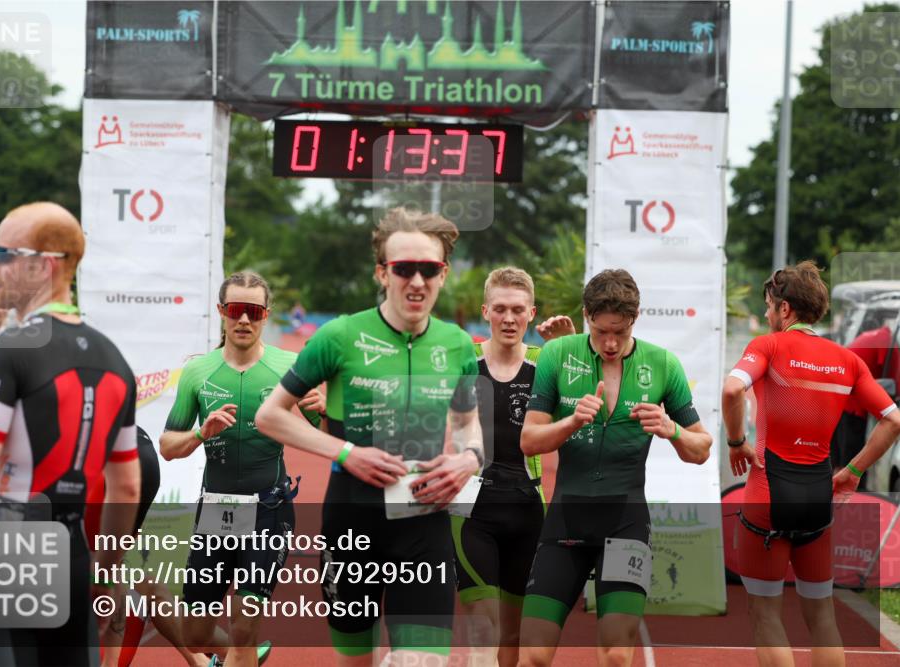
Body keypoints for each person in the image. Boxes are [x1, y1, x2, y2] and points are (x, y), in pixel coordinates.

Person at [257, 207, 485, 666]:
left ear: (443, 274)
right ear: (383, 272)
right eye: (404, 269)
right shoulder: (339, 336)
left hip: (424, 522)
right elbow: (271, 415)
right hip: (351, 524)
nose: (417, 281)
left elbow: (466, 424)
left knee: (420, 661)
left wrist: (469, 458)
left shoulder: (457, 344)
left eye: (430, 269)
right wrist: (345, 452)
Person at [0, 202, 142, 667]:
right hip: (74, 550)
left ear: (43, 265)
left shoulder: (13, 346)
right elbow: (127, 487)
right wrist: (104, 576)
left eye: (2, 254)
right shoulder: (115, 360)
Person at [518, 269, 712, 667]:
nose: (610, 343)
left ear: (635, 318)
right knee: (534, 655)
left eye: (620, 333)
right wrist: (571, 422)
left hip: (625, 522)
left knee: (616, 655)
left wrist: (671, 430)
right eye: (602, 331)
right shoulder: (557, 354)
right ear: (587, 314)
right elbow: (529, 440)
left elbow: (701, 449)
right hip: (566, 520)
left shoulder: (662, 364)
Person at [722, 261, 900, 667]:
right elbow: (894, 420)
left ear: (785, 310)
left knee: (765, 612)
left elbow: (732, 390)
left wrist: (736, 443)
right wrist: (853, 472)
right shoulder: (848, 360)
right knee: (821, 614)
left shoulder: (768, 346)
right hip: (819, 494)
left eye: (769, 306)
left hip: (768, 493)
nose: (767, 315)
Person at [160, 270, 325, 667]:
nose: (244, 320)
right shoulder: (199, 372)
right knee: (196, 634)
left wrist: (323, 411)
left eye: (253, 311)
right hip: (216, 509)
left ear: (266, 315)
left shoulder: (291, 366)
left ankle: (242, 655)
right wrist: (202, 433)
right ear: (221, 311)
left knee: (244, 622)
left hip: (269, 507)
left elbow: (327, 433)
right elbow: (167, 447)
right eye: (236, 310)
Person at [451, 267, 574, 667]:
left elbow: (589, 410)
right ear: (485, 311)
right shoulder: (462, 361)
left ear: (532, 313)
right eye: (500, 308)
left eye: (518, 310)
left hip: (528, 507)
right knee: (484, 628)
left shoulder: (546, 363)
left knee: (515, 634)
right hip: (472, 510)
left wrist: (569, 349)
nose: (509, 318)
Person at [829, 321, 899, 481]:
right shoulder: (888, 343)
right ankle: (847, 500)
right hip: (852, 406)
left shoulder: (874, 336)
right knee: (851, 462)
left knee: (839, 460)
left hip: (837, 400)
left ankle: (835, 497)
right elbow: (894, 381)